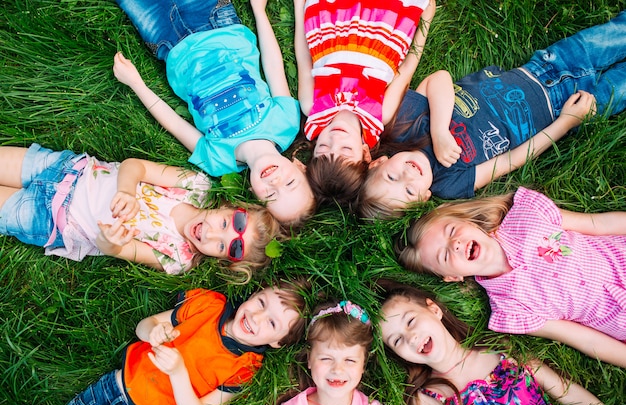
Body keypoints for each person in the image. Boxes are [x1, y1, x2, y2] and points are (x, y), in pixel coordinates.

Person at [357, 11, 626, 219]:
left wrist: (439, 132)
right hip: (567, 108)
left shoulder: (405, 126)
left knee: (616, 33)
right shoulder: (449, 184)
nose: (408, 176)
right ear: (425, 197)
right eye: (409, 191)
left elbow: (439, 79)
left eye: (392, 177)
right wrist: (568, 121)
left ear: (378, 162)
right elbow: (512, 160)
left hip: (543, 68)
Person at [113, 0, 315, 225]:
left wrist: (136, 84)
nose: (275, 182)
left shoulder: (218, 161)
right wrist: (259, 12)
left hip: (167, 42)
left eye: (270, 195)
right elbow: (273, 65)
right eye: (290, 183)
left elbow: (176, 125)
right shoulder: (286, 123)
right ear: (300, 166)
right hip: (216, 21)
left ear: (254, 195)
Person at [396, 186, 626, 368]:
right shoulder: (510, 309)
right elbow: (584, 338)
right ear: (453, 276)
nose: (455, 244)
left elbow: (597, 224)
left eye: (452, 231)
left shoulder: (526, 217)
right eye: (444, 255)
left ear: (467, 222)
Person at [0, 143, 282, 279]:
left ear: (220, 259)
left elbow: (121, 251)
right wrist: (125, 189)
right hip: (68, 170)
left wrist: (109, 242)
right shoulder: (195, 187)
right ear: (227, 207)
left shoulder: (177, 258)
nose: (209, 234)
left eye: (221, 246)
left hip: (52, 220)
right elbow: (136, 165)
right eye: (223, 223)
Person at [57, 278, 310, 405]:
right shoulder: (210, 306)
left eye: (272, 322)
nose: (257, 317)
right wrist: (153, 331)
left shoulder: (246, 368)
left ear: (278, 342)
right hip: (111, 388)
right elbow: (146, 325)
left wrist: (178, 374)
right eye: (261, 302)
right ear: (254, 293)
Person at [377, 280, 618, 405]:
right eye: (396, 340)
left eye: (410, 321)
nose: (410, 338)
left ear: (435, 310)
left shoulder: (499, 350)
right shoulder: (427, 398)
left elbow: (565, 391)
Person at [293, 0, 436, 208]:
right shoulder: (380, 114)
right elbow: (406, 70)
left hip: (333, 25)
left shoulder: (312, 106)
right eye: (346, 149)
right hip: (382, 30)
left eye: (323, 147)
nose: (335, 138)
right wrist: (426, 21)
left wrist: (299, 9)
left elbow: (303, 59)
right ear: (365, 153)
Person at [273, 300, 387, 405]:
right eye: (326, 359)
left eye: (350, 360)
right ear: (309, 359)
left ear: (363, 364)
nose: (337, 370)